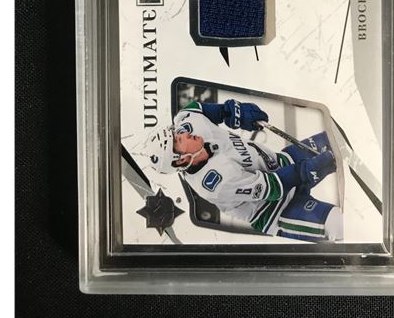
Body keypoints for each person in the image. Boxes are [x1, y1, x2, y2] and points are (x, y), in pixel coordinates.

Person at [143, 99, 343, 242]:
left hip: (283, 163)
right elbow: (273, 187)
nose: (184, 133)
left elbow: (197, 109)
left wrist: (231, 112)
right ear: (182, 161)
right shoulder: (215, 184)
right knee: (337, 223)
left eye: (175, 132)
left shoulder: (186, 122)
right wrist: (311, 168)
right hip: (275, 209)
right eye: (178, 141)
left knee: (337, 138)